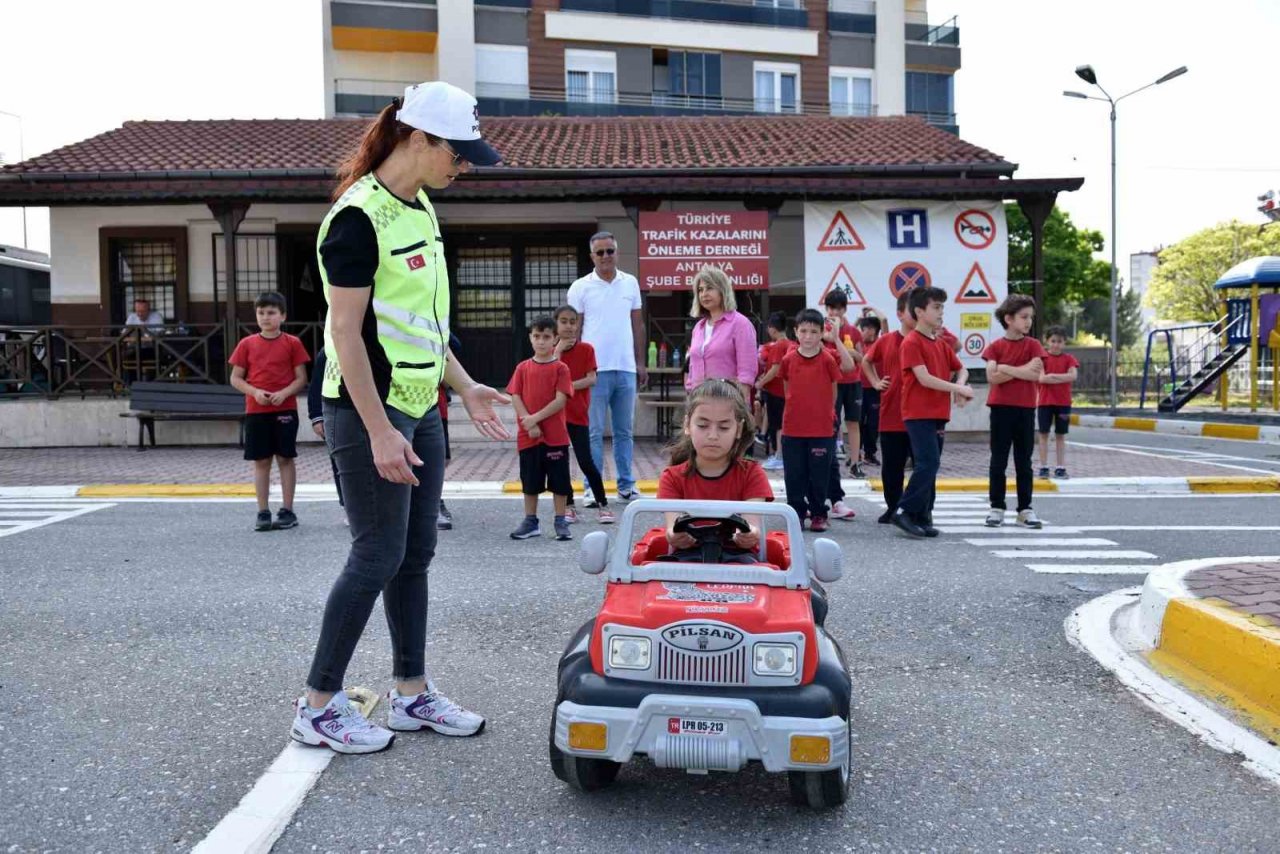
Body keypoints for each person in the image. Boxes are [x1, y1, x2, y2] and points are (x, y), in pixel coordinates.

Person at [292, 81, 508, 755]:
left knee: (414, 554)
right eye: (459, 153)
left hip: (422, 407)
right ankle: (318, 707)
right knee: (376, 552)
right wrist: (380, 429)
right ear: (419, 140)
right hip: (369, 412)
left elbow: (422, 326)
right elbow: (346, 335)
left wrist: (466, 386)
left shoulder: (420, 208)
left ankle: (412, 694)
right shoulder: (357, 219)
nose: (464, 166)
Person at [567, 231, 647, 503]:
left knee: (625, 431)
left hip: (625, 368)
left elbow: (638, 324)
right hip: (594, 372)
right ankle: (592, 488)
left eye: (609, 251)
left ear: (617, 252)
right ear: (592, 256)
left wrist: (640, 362)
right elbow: (572, 332)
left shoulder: (631, 284)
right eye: (599, 252)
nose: (605, 257)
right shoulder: (580, 287)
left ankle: (626, 485)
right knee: (594, 432)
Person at [658, 379, 771, 563]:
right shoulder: (672, 477)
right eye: (703, 426)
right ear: (688, 425)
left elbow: (752, 524)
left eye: (724, 427)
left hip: (739, 560)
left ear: (738, 429)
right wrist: (676, 535)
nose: (712, 435)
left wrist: (749, 534)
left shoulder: (752, 474)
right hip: (688, 560)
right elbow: (673, 527)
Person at [892, 287, 973, 539]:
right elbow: (924, 378)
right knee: (928, 462)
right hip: (918, 412)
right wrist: (957, 387)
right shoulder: (911, 342)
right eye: (936, 307)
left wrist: (961, 384)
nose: (941, 313)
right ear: (919, 311)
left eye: (942, 308)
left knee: (930, 464)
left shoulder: (939, 342)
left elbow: (962, 368)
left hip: (938, 412)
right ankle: (904, 510)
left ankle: (923, 516)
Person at [228, 291, 310, 532]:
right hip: (256, 410)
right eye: (261, 312)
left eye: (271, 312)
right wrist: (254, 392)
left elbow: (301, 378)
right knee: (261, 461)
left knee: (286, 458)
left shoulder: (293, 343)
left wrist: (284, 393)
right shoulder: (246, 344)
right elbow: (235, 378)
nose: (266, 317)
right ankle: (262, 511)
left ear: (282, 316)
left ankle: (288, 509)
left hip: (285, 409)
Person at [779, 309, 855, 532]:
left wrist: (826, 413)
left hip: (821, 428)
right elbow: (787, 388)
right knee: (794, 474)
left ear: (822, 333)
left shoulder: (828, 359)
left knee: (819, 474)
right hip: (793, 427)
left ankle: (819, 513)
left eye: (814, 331)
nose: (808, 336)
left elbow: (833, 391)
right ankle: (796, 514)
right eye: (803, 331)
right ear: (796, 332)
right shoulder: (788, 359)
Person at [508, 316, 575, 541]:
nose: (541, 341)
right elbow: (515, 396)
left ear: (555, 339)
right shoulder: (522, 368)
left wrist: (535, 418)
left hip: (555, 438)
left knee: (560, 482)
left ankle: (560, 520)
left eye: (546, 337)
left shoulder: (561, 368)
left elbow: (560, 400)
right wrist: (529, 422)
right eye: (537, 336)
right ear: (530, 338)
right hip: (528, 437)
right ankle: (530, 521)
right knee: (530, 481)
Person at [983, 294, 1047, 529]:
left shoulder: (1034, 345)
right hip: (1000, 409)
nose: (1029, 321)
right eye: (1024, 317)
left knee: (1024, 461)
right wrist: (1021, 369)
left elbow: (1035, 374)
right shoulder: (995, 347)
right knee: (998, 460)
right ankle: (996, 507)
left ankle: (1025, 509)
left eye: (1030, 317)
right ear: (1008, 319)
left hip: (1026, 409)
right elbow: (992, 377)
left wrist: (1006, 368)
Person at [553, 304, 615, 525]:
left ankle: (603, 505)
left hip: (577, 414)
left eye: (572, 322)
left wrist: (567, 386)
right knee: (560, 462)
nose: (569, 326)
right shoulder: (550, 351)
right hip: (556, 415)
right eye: (564, 321)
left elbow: (591, 379)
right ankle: (569, 507)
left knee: (585, 461)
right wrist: (558, 351)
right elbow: (549, 377)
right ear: (556, 324)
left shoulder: (586, 349)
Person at [861, 291, 914, 523]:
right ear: (901, 314)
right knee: (892, 467)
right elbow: (866, 361)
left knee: (923, 467)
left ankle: (919, 510)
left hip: (920, 416)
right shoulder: (887, 340)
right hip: (891, 412)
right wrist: (875, 382)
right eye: (914, 311)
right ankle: (893, 507)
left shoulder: (929, 340)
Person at [684, 265, 758, 397]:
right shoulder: (698, 328)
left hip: (728, 403)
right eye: (700, 290)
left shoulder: (740, 324)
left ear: (723, 290)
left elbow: (747, 373)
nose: (704, 294)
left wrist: (740, 407)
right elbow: (692, 368)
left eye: (710, 288)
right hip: (699, 402)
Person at [822, 290, 865, 480]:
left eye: (838, 309)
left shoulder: (854, 332)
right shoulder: (822, 331)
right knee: (831, 423)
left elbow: (862, 357)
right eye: (831, 308)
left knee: (854, 423)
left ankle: (855, 463)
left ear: (845, 309)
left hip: (853, 382)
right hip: (832, 383)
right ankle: (829, 463)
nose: (834, 313)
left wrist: (849, 352)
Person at [1036, 325, 1080, 480]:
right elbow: (1041, 378)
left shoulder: (1069, 359)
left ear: (1064, 343)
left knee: (1060, 434)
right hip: (1044, 403)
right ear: (1047, 341)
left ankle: (1060, 467)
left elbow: (1073, 376)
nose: (1056, 344)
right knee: (1043, 434)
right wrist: (1062, 377)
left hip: (1063, 403)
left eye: (1059, 341)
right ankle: (1043, 466)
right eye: (1053, 341)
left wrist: (1052, 377)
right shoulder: (1042, 359)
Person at [307, 346, 344, 516]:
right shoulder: (327, 351)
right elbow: (316, 386)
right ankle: (348, 507)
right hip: (336, 414)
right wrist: (316, 417)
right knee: (341, 464)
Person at [753, 311, 793, 471]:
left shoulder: (778, 345)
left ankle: (779, 456)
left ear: (772, 328)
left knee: (778, 426)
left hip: (777, 392)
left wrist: (760, 383)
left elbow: (775, 370)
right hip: (785, 391)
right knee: (781, 424)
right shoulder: (791, 344)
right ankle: (780, 455)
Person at [857, 311, 883, 466]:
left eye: (864, 329)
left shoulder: (880, 343)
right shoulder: (858, 345)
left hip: (875, 390)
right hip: (859, 389)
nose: (862, 333)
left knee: (873, 424)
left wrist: (872, 308)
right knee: (858, 422)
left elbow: (884, 320)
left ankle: (870, 453)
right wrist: (858, 319)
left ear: (872, 330)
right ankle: (856, 454)